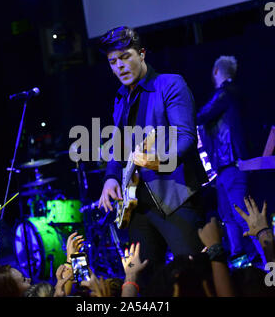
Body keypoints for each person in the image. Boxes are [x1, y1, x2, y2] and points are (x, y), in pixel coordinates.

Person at [97, 26, 208, 292]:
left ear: (142, 53)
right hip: (137, 207)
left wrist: (156, 160)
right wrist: (111, 177)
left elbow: (186, 139)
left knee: (195, 277)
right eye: (113, 62)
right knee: (145, 283)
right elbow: (119, 146)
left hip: (175, 199)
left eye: (125, 57)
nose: (120, 66)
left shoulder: (170, 84)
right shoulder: (121, 99)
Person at [196, 56, 265, 266]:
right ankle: (240, 262)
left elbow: (202, 115)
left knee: (243, 218)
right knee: (228, 217)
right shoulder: (230, 94)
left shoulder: (225, 93)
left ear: (216, 70)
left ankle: (268, 263)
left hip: (232, 165)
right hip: (224, 168)